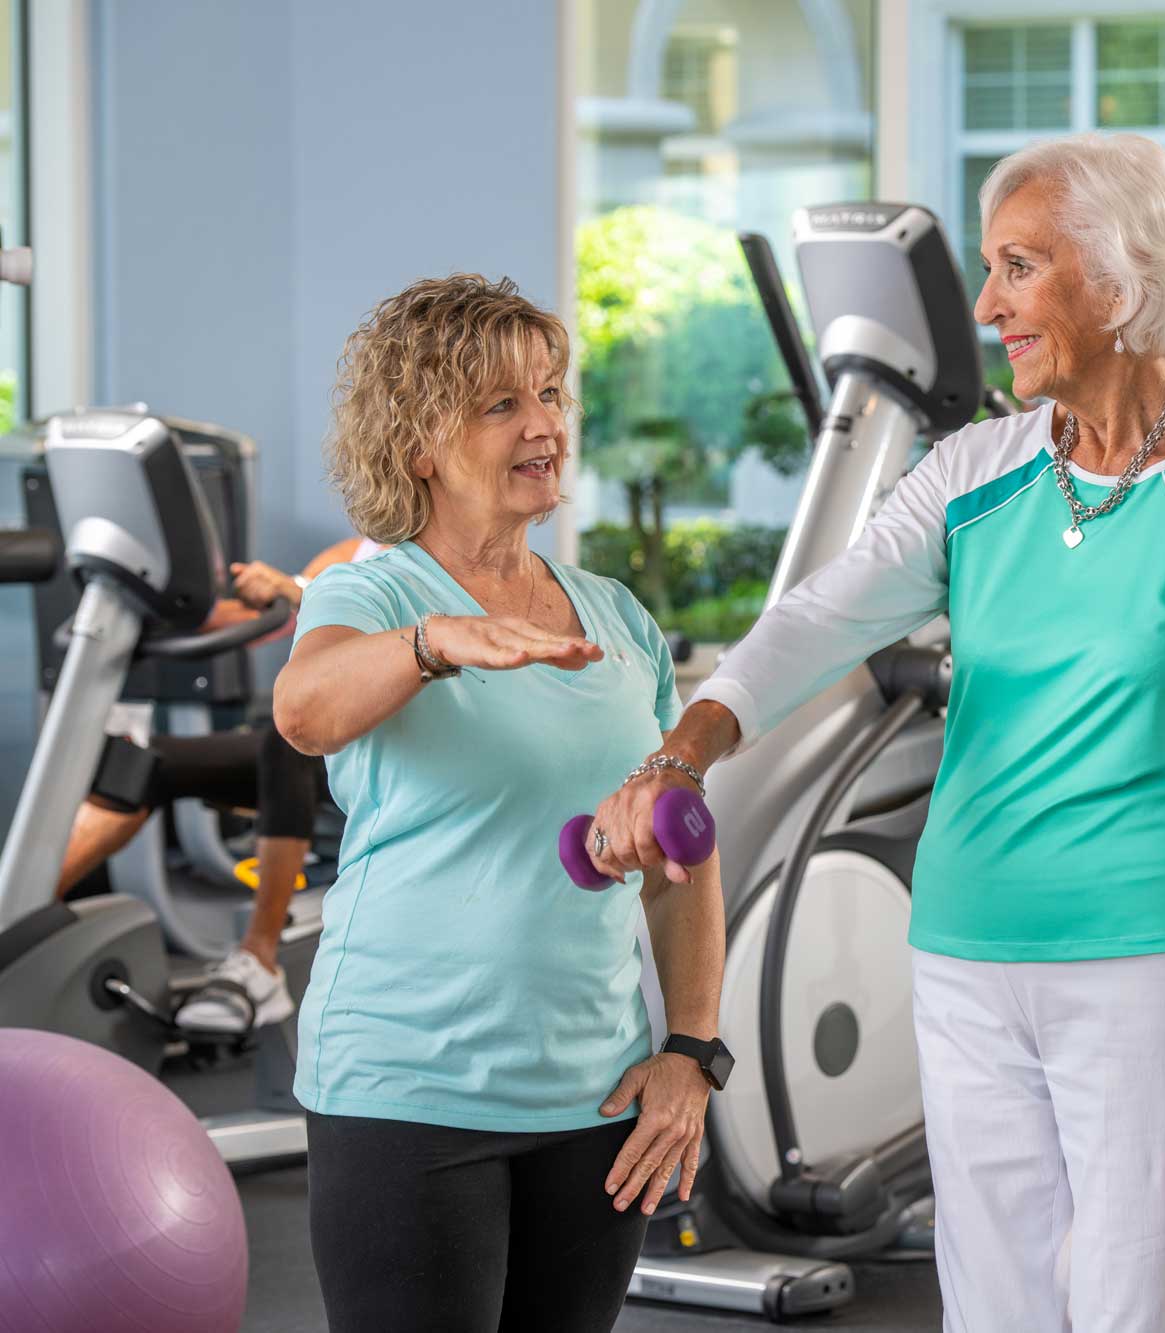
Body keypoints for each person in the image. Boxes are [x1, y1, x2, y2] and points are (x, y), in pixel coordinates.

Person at [589, 132, 1165, 1331]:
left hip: (1147, 954)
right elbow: (812, 621)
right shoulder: (974, 471)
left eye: (1017, 267)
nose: (985, 302)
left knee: (1133, 1301)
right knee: (990, 1304)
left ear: (1120, 280)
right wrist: (682, 746)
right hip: (960, 948)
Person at [272, 274, 722, 1333]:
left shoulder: (617, 615)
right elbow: (304, 710)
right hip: (406, 1088)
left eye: (552, 395)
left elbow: (677, 850)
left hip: (594, 1094)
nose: (544, 426)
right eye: (500, 404)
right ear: (417, 443)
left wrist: (692, 1051)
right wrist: (435, 643)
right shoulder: (373, 595)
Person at [56, 539, 384, 1032]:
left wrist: (296, 590)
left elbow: (392, 634)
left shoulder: (445, 555)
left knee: (285, 744)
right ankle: (18, 917)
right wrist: (147, 610)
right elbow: (276, 619)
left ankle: (260, 960)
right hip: (308, 745)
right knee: (147, 762)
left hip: (381, 754)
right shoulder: (354, 552)